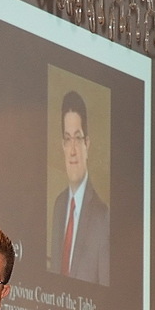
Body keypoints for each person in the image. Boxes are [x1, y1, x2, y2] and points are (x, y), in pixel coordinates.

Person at [50, 90, 109, 286]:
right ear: (63, 145)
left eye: (78, 138)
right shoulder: (59, 205)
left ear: (87, 144)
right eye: (68, 139)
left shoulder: (102, 216)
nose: (73, 150)